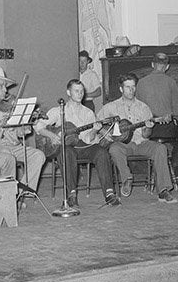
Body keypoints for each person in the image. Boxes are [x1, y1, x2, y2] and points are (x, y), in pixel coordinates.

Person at [35, 79, 118, 208]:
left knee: (102, 153)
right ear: (69, 92)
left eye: (82, 91)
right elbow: (38, 126)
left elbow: (89, 139)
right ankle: (71, 195)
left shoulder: (88, 113)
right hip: (66, 146)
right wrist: (52, 135)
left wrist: (95, 130)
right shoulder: (59, 110)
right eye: (76, 91)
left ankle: (109, 193)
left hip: (83, 144)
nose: (80, 94)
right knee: (67, 152)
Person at [99, 73, 178, 203]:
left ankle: (163, 190)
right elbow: (96, 122)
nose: (131, 90)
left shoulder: (143, 107)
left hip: (141, 143)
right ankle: (127, 179)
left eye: (133, 87)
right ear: (121, 89)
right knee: (114, 149)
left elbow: (146, 135)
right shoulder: (111, 107)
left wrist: (148, 128)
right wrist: (104, 132)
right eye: (127, 87)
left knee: (161, 148)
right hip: (123, 145)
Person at [0, 66, 46, 194]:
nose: (5, 90)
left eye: (5, 86)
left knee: (38, 156)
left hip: (13, 147)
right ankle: (10, 196)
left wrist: (25, 125)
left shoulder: (12, 107)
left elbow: (19, 133)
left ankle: (22, 192)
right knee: (7, 156)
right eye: (0, 86)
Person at [134, 51, 178, 182]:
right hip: (165, 127)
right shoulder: (171, 82)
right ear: (167, 66)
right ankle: (173, 171)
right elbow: (177, 111)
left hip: (148, 129)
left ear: (152, 64)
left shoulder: (140, 82)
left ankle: (152, 172)